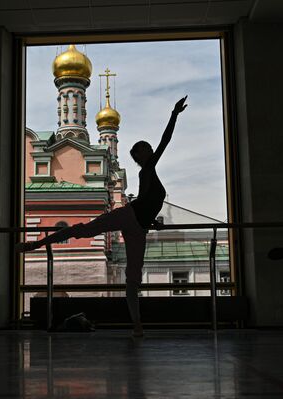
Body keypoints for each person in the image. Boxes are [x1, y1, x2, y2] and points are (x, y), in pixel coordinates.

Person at [16, 96, 189, 337]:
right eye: (145, 149)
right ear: (141, 156)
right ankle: (37, 243)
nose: (150, 150)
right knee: (83, 229)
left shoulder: (147, 173)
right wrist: (174, 114)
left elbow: (146, 201)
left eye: (148, 148)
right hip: (129, 218)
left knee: (132, 279)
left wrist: (151, 223)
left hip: (138, 227)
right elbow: (165, 140)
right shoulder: (148, 168)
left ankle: (137, 326)